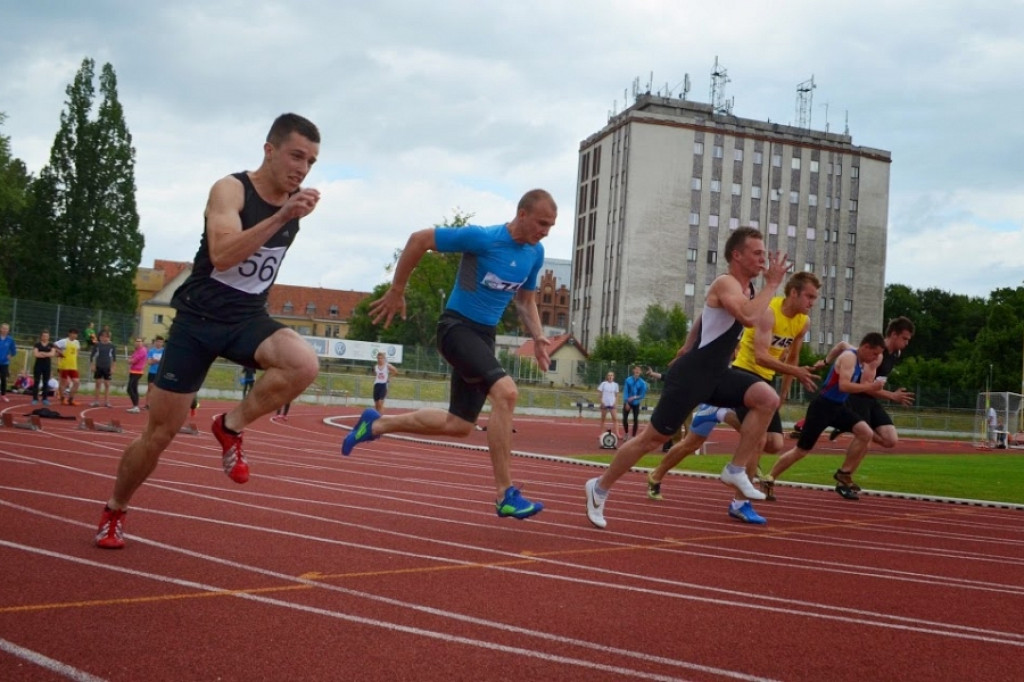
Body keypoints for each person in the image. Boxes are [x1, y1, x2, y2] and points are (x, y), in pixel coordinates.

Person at [94, 113, 323, 549]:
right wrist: (280, 217)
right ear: (269, 149)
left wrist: (288, 211)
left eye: (311, 162)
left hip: (247, 319)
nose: (302, 169)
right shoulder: (230, 189)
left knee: (303, 363)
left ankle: (230, 427)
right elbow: (221, 255)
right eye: (296, 155)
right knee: (159, 434)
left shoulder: (295, 202)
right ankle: (115, 508)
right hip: (197, 323)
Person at [342, 189, 557, 520]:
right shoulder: (482, 239)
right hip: (456, 327)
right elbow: (419, 240)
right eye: (542, 223)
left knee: (458, 425)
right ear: (523, 214)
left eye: (551, 226)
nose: (545, 232)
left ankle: (377, 425)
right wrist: (397, 290)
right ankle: (505, 494)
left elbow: (525, 301)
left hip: (483, 336)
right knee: (507, 392)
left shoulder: (535, 254)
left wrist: (539, 336)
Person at [584, 227, 790, 529]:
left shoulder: (747, 291)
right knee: (652, 440)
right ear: (737, 255)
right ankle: (598, 488)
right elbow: (747, 317)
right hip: (692, 377)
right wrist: (773, 284)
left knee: (767, 398)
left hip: (718, 374)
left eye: (764, 254)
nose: (763, 259)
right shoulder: (726, 282)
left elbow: (705, 318)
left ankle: (735, 469)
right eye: (757, 253)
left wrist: (688, 343)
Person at [644, 272, 824, 519]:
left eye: (815, 297)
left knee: (774, 443)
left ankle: (719, 413)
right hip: (744, 375)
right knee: (754, 442)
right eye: (809, 296)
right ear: (793, 292)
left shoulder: (802, 322)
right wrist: (794, 372)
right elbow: (761, 357)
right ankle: (740, 505)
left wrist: (784, 392)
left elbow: (793, 357)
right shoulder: (768, 312)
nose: (813, 302)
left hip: (767, 382)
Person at [763, 333, 888, 500]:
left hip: (838, 407)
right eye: (875, 354)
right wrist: (870, 387)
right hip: (822, 407)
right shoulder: (850, 358)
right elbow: (843, 386)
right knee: (801, 450)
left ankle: (844, 473)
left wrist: (825, 362)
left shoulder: (854, 354)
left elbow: (841, 343)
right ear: (865, 347)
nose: (875, 359)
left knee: (866, 432)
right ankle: (769, 478)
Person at [90, 329, 117, 408]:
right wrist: (92, 365)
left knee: (107, 384)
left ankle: (107, 401)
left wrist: (113, 368)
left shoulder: (112, 346)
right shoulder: (97, 345)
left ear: (109, 338)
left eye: (107, 337)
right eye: (103, 336)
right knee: (98, 384)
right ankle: (96, 401)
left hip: (107, 367)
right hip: (98, 366)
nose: (105, 338)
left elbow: (114, 358)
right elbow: (92, 356)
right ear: (100, 337)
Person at [54, 328, 81, 406]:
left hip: (73, 366)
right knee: (63, 383)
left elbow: (77, 351)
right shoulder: (64, 341)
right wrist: (59, 352)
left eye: (75, 334)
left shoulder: (77, 343)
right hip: (64, 366)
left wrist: (76, 356)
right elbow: (54, 345)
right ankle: (62, 399)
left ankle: (71, 399)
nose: (74, 335)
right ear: (69, 334)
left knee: (76, 382)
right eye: (72, 333)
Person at [31, 330, 58, 405]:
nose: (45, 337)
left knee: (46, 382)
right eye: (43, 336)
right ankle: (35, 398)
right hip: (38, 365)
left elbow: (52, 354)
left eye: (46, 336)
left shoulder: (51, 345)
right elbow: (36, 354)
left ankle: (45, 398)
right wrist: (47, 354)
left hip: (47, 365)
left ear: (49, 337)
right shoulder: (37, 344)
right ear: (41, 336)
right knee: (36, 381)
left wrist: (42, 353)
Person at [621, 365, 648, 439]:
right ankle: (626, 433)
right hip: (628, 402)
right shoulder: (628, 380)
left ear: (641, 372)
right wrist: (626, 402)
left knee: (635, 419)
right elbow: (625, 392)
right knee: (624, 419)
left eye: (639, 370)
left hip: (636, 403)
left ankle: (633, 436)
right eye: (636, 369)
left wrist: (634, 397)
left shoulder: (642, 383)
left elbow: (642, 395)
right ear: (633, 370)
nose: (637, 371)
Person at [126, 337, 148, 413]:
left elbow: (135, 360)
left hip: (137, 372)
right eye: (136, 341)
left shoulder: (143, 350)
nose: (138, 343)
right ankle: (135, 406)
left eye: (139, 341)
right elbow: (132, 358)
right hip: (133, 371)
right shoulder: (137, 350)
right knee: (134, 388)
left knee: (130, 388)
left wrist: (130, 361)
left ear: (142, 343)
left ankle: (136, 406)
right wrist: (130, 360)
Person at [596, 371, 621, 437]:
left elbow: (617, 395)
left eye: (611, 375)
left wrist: (615, 403)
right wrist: (601, 402)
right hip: (605, 404)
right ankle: (601, 433)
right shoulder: (603, 384)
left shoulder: (616, 385)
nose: (610, 376)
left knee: (615, 419)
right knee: (603, 419)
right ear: (607, 377)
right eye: (609, 375)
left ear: (613, 377)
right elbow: (599, 394)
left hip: (612, 404)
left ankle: (617, 434)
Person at [144, 336, 165, 409]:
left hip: (160, 372)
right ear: (155, 342)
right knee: (150, 388)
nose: (159, 343)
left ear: (162, 343)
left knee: (160, 389)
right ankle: (147, 404)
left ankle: (157, 404)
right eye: (157, 341)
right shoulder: (151, 351)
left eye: (160, 342)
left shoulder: (164, 351)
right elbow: (149, 362)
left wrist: (156, 360)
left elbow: (164, 362)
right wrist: (156, 361)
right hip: (152, 372)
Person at [0, 322, 15, 402]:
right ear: (0, 329)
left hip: (4, 363)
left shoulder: (10, 340)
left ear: (8, 330)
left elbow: (13, 350)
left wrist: (10, 355)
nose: (5, 330)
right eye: (3, 328)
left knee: (3, 378)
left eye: (6, 329)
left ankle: (3, 395)